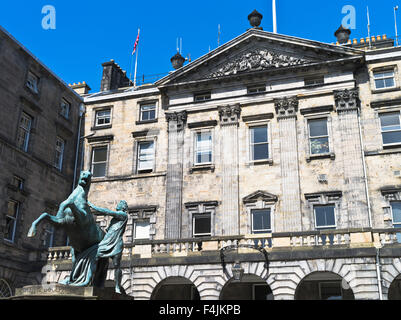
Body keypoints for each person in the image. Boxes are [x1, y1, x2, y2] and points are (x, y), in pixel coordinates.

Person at [88, 200, 128, 294]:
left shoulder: (123, 215)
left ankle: (117, 286)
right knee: (95, 257)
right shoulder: (116, 218)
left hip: (116, 243)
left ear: (123, 207)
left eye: (119, 204)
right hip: (107, 242)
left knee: (116, 265)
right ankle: (90, 281)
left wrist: (93, 206)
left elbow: (108, 212)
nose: (117, 205)